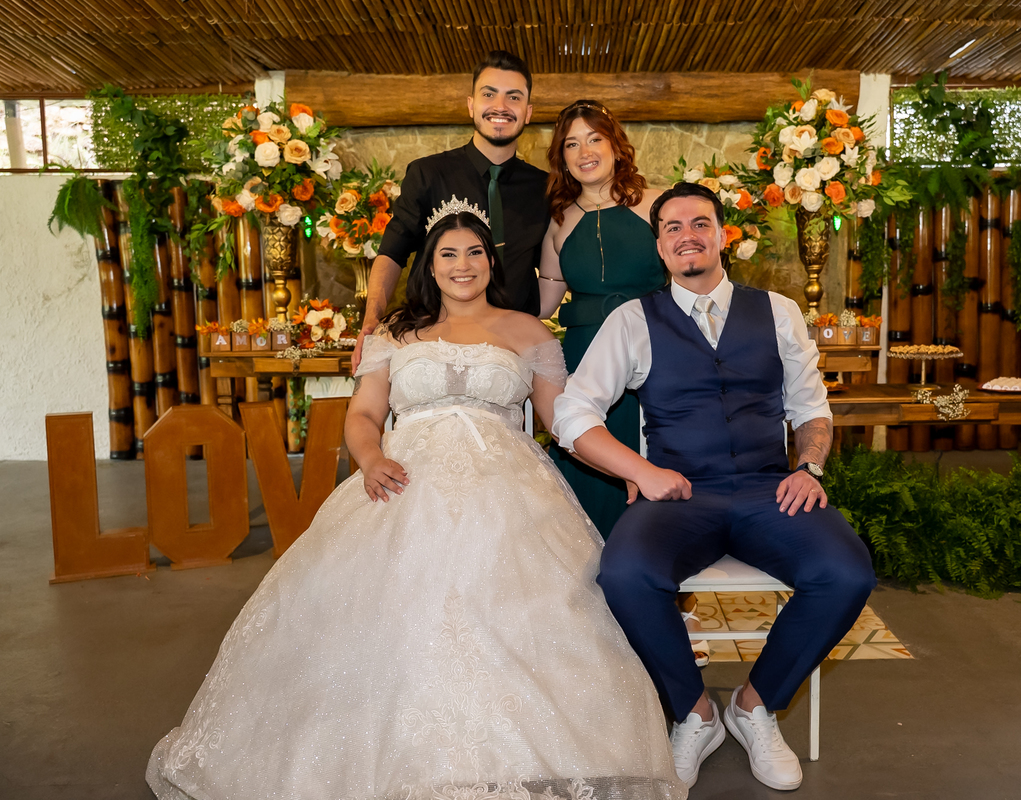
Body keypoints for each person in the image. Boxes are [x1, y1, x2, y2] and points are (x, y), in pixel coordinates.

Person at [146, 205, 684, 800]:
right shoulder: (394, 335)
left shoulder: (529, 332)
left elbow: (564, 422)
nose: (462, 265)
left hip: (509, 493)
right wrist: (370, 458)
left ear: (491, 262)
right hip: (403, 481)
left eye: (474, 252)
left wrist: (625, 466)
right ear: (429, 266)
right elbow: (363, 414)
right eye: (448, 254)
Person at [551, 183, 877, 792]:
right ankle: (695, 714)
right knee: (624, 574)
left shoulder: (778, 311)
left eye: (700, 222)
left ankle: (755, 705)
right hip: (679, 494)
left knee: (847, 572)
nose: (687, 236)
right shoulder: (633, 320)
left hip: (767, 489)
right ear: (659, 247)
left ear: (723, 234)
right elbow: (572, 413)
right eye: (672, 228)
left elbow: (811, 408)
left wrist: (808, 468)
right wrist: (640, 472)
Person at [351, 49, 549, 372]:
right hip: (432, 349)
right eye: (489, 94)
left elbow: (557, 266)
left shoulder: (545, 188)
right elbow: (392, 252)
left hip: (512, 358)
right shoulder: (428, 174)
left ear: (528, 112)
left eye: (513, 97)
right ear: (471, 104)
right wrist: (371, 321)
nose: (500, 106)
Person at [537, 99, 666, 540]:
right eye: (572, 144)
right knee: (587, 455)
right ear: (562, 157)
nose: (585, 151)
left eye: (594, 139)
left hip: (653, 350)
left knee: (651, 450)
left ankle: (653, 560)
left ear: (615, 146)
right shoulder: (559, 221)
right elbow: (543, 305)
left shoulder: (655, 204)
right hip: (584, 355)